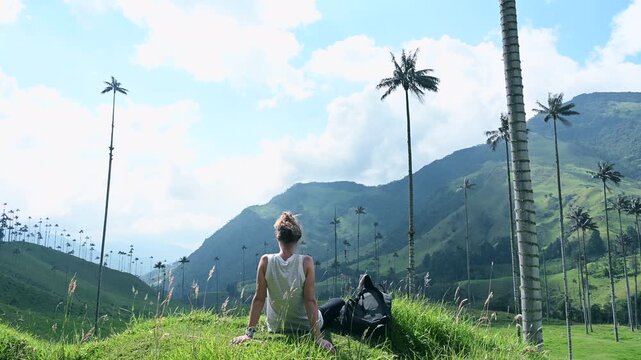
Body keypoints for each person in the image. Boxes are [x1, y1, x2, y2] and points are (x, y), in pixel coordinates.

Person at [231, 211, 345, 353]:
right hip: (305, 325)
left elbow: (259, 298)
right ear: (297, 239)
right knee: (338, 302)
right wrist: (318, 337)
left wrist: (249, 334)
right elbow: (310, 301)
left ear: (278, 237)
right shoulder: (306, 262)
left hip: (277, 326)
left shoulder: (265, 261)